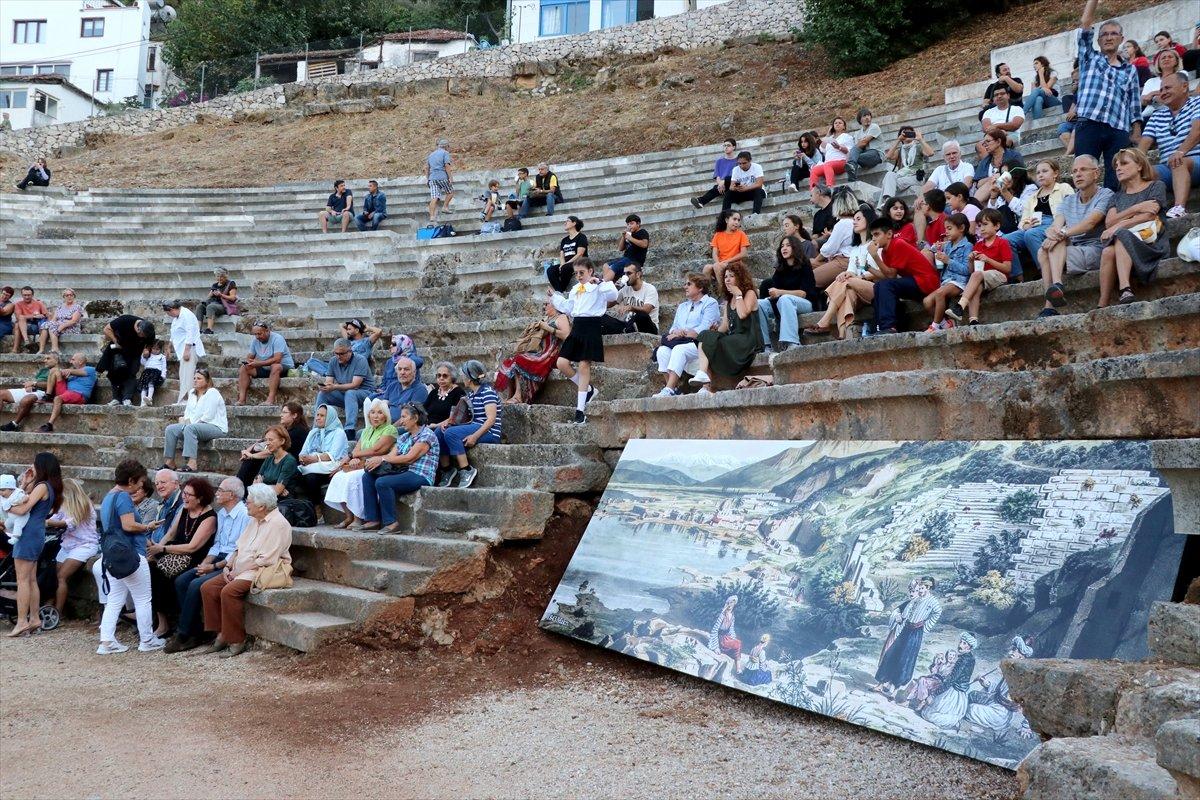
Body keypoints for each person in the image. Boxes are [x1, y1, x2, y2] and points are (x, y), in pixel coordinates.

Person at [199, 483, 292, 658]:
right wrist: (228, 566)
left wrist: (237, 572)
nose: (245, 504)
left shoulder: (278, 524)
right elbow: (238, 548)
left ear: (261, 506)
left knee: (229, 591)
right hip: (239, 568)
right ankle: (221, 633)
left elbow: (266, 560)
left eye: (248, 502)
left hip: (262, 570)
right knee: (208, 587)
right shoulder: (254, 519)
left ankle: (236, 640)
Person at [165, 477, 249, 653]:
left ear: (231, 495)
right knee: (181, 581)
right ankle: (195, 630)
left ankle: (183, 634)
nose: (217, 493)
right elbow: (217, 544)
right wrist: (205, 563)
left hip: (232, 561)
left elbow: (239, 550)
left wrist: (214, 567)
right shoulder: (222, 513)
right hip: (217, 557)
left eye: (221, 490)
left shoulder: (244, 515)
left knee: (196, 584)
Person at [97, 460, 166, 654]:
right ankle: (147, 640)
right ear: (131, 480)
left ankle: (107, 641)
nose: (141, 485)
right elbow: (128, 525)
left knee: (114, 598)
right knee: (143, 598)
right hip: (130, 554)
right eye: (140, 481)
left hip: (112, 554)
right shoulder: (123, 497)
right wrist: (147, 526)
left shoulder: (109, 496)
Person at [1075, 1, 1143, 192]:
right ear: (1098, 40)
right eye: (1104, 34)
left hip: (1118, 127)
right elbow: (1085, 24)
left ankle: (1113, 209)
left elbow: (1134, 102)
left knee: (1117, 176)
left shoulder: (1130, 70)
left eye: (1113, 33)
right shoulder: (1089, 57)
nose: (1108, 37)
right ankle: (1087, 208)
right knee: (1084, 172)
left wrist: (1136, 129)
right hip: (1089, 122)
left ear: (1121, 38)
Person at [1037, 155, 1115, 317]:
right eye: (1074, 171)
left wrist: (1061, 234)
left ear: (1096, 173)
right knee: (1043, 250)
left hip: (1095, 249)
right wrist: (1052, 233)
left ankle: (1051, 300)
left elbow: (1090, 223)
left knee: (1057, 240)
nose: (1078, 174)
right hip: (1072, 250)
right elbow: (1056, 225)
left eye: (1083, 169)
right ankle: (1053, 294)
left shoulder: (1106, 194)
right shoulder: (1068, 200)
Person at [1098, 148, 1169, 307]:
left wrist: (1121, 223)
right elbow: (1109, 223)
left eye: (1124, 163)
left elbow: (1149, 215)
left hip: (1150, 242)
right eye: (1116, 165)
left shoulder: (1156, 186)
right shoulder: (1116, 196)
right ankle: (1102, 302)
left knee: (1121, 234)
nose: (1118, 168)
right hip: (1124, 243)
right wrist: (1137, 208)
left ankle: (1125, 288)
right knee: (1108, 251)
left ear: (1139, 166)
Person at [147, 476, 216, 635]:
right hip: (173, 552)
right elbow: (171, 533)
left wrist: (162, 549)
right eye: (184, 493)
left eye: (188, 494)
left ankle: (168, 624)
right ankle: (160, 621)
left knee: (160, 572)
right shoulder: (185, 509)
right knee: (149, 566)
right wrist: (155, 550)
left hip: (193, 557)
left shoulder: (210, 517)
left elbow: (193, 547)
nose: (184, 497)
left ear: (200, 498)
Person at [551, 260, 617, 424]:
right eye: (576, 273)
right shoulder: (575, 289)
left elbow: (613, 295)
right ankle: (588, 389)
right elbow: (569, 308)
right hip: (577, 327)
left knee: (583, 365)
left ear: (590, 271)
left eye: (582, 272)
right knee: (561, 363)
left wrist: (600, 282)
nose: (579, 276)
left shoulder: (599, 287)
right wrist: (554, 297)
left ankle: (580, 411)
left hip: (591, 327)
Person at [3, 454, 61, 636]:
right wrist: (25, 483)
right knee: (31, 579)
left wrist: (5, 506)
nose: (31, 467)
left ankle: (22, 621)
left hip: (28, 534)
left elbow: (22, 509)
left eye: (34, 465)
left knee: (22, 580)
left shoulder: (42, 486)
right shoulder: (47, 486)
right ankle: (34, 618)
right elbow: (21, 498)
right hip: (36, 533)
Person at [360, 403, 440, 532]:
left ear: (415, 418)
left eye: (404, 417)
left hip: (421, 475)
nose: (401, 421)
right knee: (368, 476)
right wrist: (376, 461)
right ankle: (373, 519)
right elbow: (391, 456)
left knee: (382, 482)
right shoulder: (404, 437)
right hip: (403, 471)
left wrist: (382, 458)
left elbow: (409, 458)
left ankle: (391, 523)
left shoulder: (427, 435)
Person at [806, 208, 880, 339]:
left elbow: (881, 273)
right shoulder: (855, 249)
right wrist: (845, 274)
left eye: (858, 219)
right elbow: (851, 270)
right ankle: (843, 335)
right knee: (847, 292)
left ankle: (825, 321)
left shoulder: (876, 244)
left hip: (874, 287)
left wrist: (858, 277)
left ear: (868, 220)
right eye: (854, 219)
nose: (854, 222)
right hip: (855, 289)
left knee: (846, 282)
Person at [689, 262, 762, 393]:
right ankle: (703, 376)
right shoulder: (729, 300)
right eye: (726, 276)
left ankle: (706, 384)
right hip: (734, 338)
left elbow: (742, 314)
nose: (727, 279)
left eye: (731, 276)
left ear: (740, 278)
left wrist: (738, 295)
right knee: (706, 336)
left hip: (748, 339)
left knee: (714, 343)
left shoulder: (750, 293)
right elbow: (725, 326)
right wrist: (713, 331)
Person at [324, 400, 396, 528]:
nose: (375, 416)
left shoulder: (390, 429)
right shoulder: (366, 431)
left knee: (353, 478)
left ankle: (358, 518)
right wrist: (354, 458)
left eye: (380, 413)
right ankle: (349, 516)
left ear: (385, 416)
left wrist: (353, 456)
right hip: (363, 464)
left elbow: (377, 450)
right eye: (372, 412)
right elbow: (356, 450)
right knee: (338, 476)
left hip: (378, 466)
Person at [1138, 71, 1200, 219]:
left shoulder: (1197, 102)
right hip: (1169, 167)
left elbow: (1197, 131)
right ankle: (1143, 214)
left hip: (1194, 160)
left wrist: (1180, 152)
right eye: (1161, 90)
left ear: (1184, 87)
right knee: (1141, 173)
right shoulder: (1157, 115)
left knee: (1178, 162)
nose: (1163, 92)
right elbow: (1143, 145)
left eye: (1167, 88)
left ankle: (1179, 208)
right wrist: (1134, 163)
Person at [433, 361, 501, 489]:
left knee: (451, 433)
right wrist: (444, 424)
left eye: (463, 375)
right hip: (474, 426)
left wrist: (474, 436)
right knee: (440, 431)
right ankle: (447, 470)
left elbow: (491, 420)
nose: (462, 378)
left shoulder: (488, 392)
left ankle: (466, 469)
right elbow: (461, 418)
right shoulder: (470, 395)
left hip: (489, 432)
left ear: (469, 378)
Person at [870, 216, 942, 335]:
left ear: (889, 234)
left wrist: (874, 256)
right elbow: (888, 275)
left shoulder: (898, 244)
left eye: (876, 234)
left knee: (885, 285)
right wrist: (868, 268)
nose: (873, 239)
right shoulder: (884, 252)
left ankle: (889, 327)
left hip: (926, 282)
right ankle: (880, 328)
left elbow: (891, 275)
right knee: (877, 286)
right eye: (872, 235)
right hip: (915, 282)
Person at [1005, 159, 1074, 281]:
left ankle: (1046, 272)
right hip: (1035, 225)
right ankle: (1019, 279)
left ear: (1055, 173)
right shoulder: (1033, 196)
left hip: (1054, 223)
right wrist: (1026, 225)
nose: (1041, 175)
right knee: (1006, 239)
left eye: (1045, 171)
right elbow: (1023, 221)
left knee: (1031, 234)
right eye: (1038, 173)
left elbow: (1072, 209)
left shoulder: (1063, 188)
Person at [653, 274, 721, 397]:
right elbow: (673, 328)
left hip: (700, 344)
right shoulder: (683, 306)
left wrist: (682, 333)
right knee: (662, 351)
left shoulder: (710, 303)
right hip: (683, 341)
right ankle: (673, 389)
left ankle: (669, 389)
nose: (685, 287)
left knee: (679, 350)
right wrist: (676, 332)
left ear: (700, 287)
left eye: (689, 284)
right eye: (685, 284)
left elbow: (704, 329)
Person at [872, 576, 941, 697]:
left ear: (928, 588)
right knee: (892, 654)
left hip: (916, 633)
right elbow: (907, 611)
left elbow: (937, 613)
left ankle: (894, 690)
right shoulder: (916, 599)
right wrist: (901, 618)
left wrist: (925, 626)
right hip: (906, 629)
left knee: (905, 660)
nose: (920, 590)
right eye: (919, 588)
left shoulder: (933, 602)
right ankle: (881, 684)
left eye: (922, 588)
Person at [947, 209, 1013, 325]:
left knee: (977, 275)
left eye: (985, 224)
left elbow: (1007, 268)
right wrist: (970, 260)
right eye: (979, 226)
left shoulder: (1002, 242)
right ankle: (973, 320)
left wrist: (988, 260)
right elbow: (972, 271)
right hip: (982, 278)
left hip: (1000, 276)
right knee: (975, 287)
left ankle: (960, 306)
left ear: (997, 226)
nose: (981, 229)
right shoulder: (978, 245)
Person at [2, 352, 96, 433]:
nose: (70, 361)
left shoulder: (90, 369)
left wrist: (67, 371)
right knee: (54, 370)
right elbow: (59, 380)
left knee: (58, 398)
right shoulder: (70, 374)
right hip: (66, 392)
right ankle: (48, 396)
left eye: (73, 359)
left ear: (80, 361)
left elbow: (79, 372)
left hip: (79, 394)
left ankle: (49, 424)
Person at [44, 477, 97, 616]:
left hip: (84, 545)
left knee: (61, 576)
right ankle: (49, 606)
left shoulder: (84, 505)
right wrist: (46, 520)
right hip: (68, 545)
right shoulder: (63, 504)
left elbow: (70, 523)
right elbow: (55, 517)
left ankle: (58, 612)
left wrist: (48, 522)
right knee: (53, 576)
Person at [497, 303, 570, 404]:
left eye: (547, 304)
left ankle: (518, 396)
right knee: (510, 360)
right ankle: (511, 395)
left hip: (550, 353)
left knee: (519, 360)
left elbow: (566, 335)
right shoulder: (547, 318)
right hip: (540, 351)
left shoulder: (561, 317)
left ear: (555, 304)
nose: (544, 306)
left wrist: (548, 328)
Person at [757, 235, 816, 353]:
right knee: (758, 304)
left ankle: (792, 342)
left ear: (795, 247)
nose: (784, 248)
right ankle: (766, 345)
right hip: (783, 302)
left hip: (805, 303)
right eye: (782, 246)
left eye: (788, 245)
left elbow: (803, 293)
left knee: (785, 299)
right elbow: (775, 291)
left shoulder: (805, 265)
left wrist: (780, 292)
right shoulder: (780, 268)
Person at [162, 369, 228, 473]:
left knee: (190, 428)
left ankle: (192, 463)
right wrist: (184, 422)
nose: (195, 380)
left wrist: (189, 427)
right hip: (194, 426)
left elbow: (209, 416)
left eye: (199, 378)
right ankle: (170, 462)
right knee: (170, 429)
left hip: (215, 427)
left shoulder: (213, 392)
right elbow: (188, 413)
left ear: (207, 381)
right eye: (194, 378)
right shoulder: (192, 393)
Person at [235, 402, 308, 486]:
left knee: (253, 460)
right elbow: (263, 440)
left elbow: (272, 451)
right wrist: (248, 450)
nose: (281, 415)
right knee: (252, 459)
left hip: (288, 464)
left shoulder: (298, 431)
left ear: (294, 415)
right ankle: (240, 486)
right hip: (278, 460)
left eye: (284, 412)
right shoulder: (286, 428)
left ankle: (239, 487)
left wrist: (251, 455)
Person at [923, 213, 974, 331]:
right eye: (945, 228)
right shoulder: (947, 246)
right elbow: (937, 258)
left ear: (961, 228)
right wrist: (936, 249)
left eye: (949, 228)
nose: (946, 232)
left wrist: (948, 261)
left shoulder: (967, 246)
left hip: (959, 282)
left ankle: (935, 326)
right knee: (927, 302)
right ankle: (946, 324)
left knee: (940, 293)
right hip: (946, 281)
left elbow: (967, 270)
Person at [313, 338, 375, 436]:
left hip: (365, 393)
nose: (338, 356)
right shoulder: (333, 361)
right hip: (345, 395)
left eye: (341, 354)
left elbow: (355, 385)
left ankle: (349, 429)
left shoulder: (360, 360)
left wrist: (335, 387)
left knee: (350, 393)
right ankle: (317, 428)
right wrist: (326, 387)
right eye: (336, 353)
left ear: (350, 351)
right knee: (323, 394)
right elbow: (329, 381)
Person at [921, 633, 978, 728]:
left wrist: (934, 695)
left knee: (928, 714)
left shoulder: (963, 659)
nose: (960, 645)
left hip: (954, 693)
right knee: (927, 712)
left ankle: (956, 722)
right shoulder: (970, 658)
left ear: (970, 647)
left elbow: (952, 679)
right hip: (960, 692)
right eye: (961, 642)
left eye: (964, 643)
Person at [810, 189, 863, 288]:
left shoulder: (843, 223)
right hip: (847, 260)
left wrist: (815, 260)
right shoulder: (855, 221)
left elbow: (829, 249)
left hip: (843, 261)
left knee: (809, 278)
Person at [296, 404, 349, 501]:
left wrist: (314, 458)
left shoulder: (339, 433)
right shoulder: (313, 432)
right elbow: (303, 452)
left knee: (311, 477)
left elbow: (332, 456)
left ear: (330, 417)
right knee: (292, 473)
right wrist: (302, 459)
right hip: (311, 465)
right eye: (317, 415)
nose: (318, 418)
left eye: (322, 416)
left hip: (330, 469)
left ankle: (316, 506)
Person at [235, 320, 293, 406]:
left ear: (267, 331)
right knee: (244, 368)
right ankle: (242, 399)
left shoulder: (277, 338)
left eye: (259, 334)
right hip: (265, 368)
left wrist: (259, 363)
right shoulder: (255, 341)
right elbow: (250, 357)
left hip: (283, 367)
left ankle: (270, 399)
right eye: (255, 334)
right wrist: (249, 362)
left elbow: (277, 359)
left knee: (275, 366)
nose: (257, 337)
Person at [162, 299, 204, 405]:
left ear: (172, 309)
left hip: (189, 349)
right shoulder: (177, 317)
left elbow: (191, 333)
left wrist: (187, 350)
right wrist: (169, 347)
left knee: (188, 376)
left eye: (168, 313)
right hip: (182, 351)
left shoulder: (186, 315)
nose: (169, 315)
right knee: (183, 375)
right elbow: (174, 332)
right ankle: (184, 399)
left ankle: (189, 400)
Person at [878, 126, 934, 204]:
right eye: (905, 133)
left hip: (916, 177)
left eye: (910, 133)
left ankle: (887, 203)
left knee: (887, 183)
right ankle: (888, 200)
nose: (908, 135)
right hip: (903, 176)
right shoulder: (901, 150)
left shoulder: (918, 147)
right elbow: (888, 156)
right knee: (889, 174)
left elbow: (930, 153)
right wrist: (898, 140)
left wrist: (920, 139)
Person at [599, 263, 659, 336]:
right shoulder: (625, 288)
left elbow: (647, 309)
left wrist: (631, 307)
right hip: (628, 325)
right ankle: (625, 330)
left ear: (638, 274)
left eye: (629, 273)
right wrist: (615, 290)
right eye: (624, 274)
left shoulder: (650, 289)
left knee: (642, 315)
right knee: (599, 317)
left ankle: (626, 329)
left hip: (647, 327)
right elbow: (608, 305)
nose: (626, 276)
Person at [365, 356, 428, 424]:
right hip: (386, 424)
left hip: (405, 426)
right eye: (399, 369)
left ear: (414, 372)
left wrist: (391, 428)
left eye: (406, 369)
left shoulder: (420, 389)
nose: (402, 372)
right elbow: (383, 406)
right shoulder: (392, 386)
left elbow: (410, 417)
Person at [972, 130, 1026, 206]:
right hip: (991, 194)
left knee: (997, 178)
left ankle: (974, 205)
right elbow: (978, 184)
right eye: (984, 143)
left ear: (998, 142)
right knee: (993, 180)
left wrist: (999, 176)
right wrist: (993, 178)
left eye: (988, 141)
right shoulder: (985, 161)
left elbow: (1020, 174)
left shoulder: (1014, 155)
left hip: (1012, 190)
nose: (985, 145)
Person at [253, 424, 304, 503]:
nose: (267, 443)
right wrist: (273, 487)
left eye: (271, 440)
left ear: (282, 441)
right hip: (265, 499)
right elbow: (255, 483)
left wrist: (262, 485)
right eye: (266, 440)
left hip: (282, 502)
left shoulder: (289, 461)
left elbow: (277, 491)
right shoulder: (269, 458)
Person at [702, 210, 751, 291]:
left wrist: (727, 261)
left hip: (735, 265)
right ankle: (705, 293)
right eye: (734, 219)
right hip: (722, 264)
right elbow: (714, 253)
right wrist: (718, 263)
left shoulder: (741, 234)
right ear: (727, 220)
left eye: (738, 220)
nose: (737, 222)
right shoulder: (718, 235)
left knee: (717, 266)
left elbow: (744, 253)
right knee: (707, 268)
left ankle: (725, 292)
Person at [601, 214, 651, 283]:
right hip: (626, 258)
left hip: (634, 260)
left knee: (614, 267)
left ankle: (604, 284)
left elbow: (644, 244)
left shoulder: (642, 232)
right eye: (628, 224)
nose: (629, 226)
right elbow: (620, 248)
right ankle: (609, 284)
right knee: (606, 265)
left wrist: (630, 238)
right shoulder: (629, 234)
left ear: (638, 224)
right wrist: (623, 236)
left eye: (632, 223)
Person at [691, 139, 740, 209]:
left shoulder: (738, 161)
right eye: (724, 146)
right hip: (722, 186)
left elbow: (737, 176)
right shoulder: (719, 161)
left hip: (733, 184)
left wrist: (723, 182)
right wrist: (720, 184)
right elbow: (717, 176)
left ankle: (701, 200)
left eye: (728, 145)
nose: (726, 147)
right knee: (716, 188)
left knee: (725, 182)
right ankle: (700, 202)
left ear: (734, 147)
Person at [977, 85, 1025, 155]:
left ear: (1008, 96)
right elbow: (986, 128)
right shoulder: (988, 112)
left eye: (1002, 93)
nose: (999, 96)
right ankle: (990, 162)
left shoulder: (1017, 109)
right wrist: (1001, 132)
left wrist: (996, 126)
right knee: (979, 146)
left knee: (1002, 141)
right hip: (992, 136)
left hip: (1010, 136)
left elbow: (1015, 125)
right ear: (993, 98)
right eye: (996, 95)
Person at [546, 215, 589, 293]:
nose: (565, 223)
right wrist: (562, 264)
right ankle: (560, 292)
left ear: (574, 223)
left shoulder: (581, 237)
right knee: (550, 270)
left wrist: (566, 264)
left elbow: (580, 254)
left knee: (565, 268)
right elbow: (562, 254)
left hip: (579, 262)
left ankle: (560, 290)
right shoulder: (564, 240)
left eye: (567, 221)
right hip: (567, 264)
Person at [1141, 49, 1187, 121]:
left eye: (1170, 57)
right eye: (1163, 58)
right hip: (1150, 115)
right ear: (1158, 63)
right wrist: (1154, 94)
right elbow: (1143, 100)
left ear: (1176, 61)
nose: (1166, 59)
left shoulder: (1182, 74)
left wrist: (1153, 97)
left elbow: (1180, 93)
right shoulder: (1151, 81)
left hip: (1175, 112)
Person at [36, 288, 83, 355]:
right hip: (58, 326)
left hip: (71, 328)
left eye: (71, 295)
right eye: (67, 295)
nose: (69, 297)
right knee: (45, 325)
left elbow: (73, 321)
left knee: (52, 326)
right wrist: (51, 324)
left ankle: (55, 349)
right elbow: (54, 319)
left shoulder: (77, 307)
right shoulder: (60, 307)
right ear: (64, 297)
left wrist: (60, 328)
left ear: (74, 296)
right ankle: (41, 349)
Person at [811, 117, 853, 188]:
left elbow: (849, 151)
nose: (837, 124)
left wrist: (839, 147)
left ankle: (830, 187)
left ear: (844, 127)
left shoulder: (847, 137)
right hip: (828, 164)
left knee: (827, 165)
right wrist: (828, 134)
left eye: (840, 123)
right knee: (814, 170)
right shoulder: (830, 138)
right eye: (835, 123)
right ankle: (813, 191)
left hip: (841, 162)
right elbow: (822, 148)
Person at [721, 150, 766, 215]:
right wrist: (737, 188)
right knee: (728, 193)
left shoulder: (757, 167)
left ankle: (755, 215)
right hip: (741, 192)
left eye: (744, 163)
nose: (742, 166)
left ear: (750, 161)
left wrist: (746, 188)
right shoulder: (735, 169)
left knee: (759, 191)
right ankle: (724, 216)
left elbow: (759, 184)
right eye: (739, 163)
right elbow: (731, 187)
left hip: (754, 192)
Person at [196, 268, 238, 335]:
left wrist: (221, 295)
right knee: (200, 306)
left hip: (224, 305)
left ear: (225, 276)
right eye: (218, 276)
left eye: (221, 276)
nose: (219, 278)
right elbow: (208, 297)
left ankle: (209, 329)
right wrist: (211, 294)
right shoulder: (215, 285)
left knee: (211, 307)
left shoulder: (230, 284)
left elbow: (233, 298)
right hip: (213, 303)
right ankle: (198, 329)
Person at [846, 108, 883, 181]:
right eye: (864, 116)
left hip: (876, 154)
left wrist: (859, 144)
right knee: (855, 154)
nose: (867, 118)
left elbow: (864, 142)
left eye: (868, 115)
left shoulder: (874, 126)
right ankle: (852, 170)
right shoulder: (858, 133)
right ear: (860, 120)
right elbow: (858, 148)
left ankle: (851, 167)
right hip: (864, 156)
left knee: (854, 153)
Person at [9, 286, 47, 354]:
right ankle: (24, 343)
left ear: (32, 295)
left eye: (29, 295)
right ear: (22, 295)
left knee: (18, 323)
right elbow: (18, 317)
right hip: (23, 326)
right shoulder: (18, 304)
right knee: (18, 322)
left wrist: (41, 316)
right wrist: (34, 316)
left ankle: (16, 348)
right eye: (25, 295)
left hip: (36, 326)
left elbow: (46, 314)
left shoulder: (39, 303)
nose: (27, 297)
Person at [1023, 55, 1061, 121]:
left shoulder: (1053, 73)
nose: (1034, 66)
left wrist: (1041, 74)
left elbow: (1047, 89)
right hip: (1042, 103)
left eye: (1036, 63)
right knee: (1038, 99)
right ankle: (1038, 122)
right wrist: (1041, 88)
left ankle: (1022, 113)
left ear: (1043, 64)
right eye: (1033, 64)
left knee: (1037, 91)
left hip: (1053, 101)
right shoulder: (1035, 78)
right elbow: (1033, 94)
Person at [912, 189, 948, 253]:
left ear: (928, 206)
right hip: (934, 254)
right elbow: (929, 244)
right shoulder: (930, 224)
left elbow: (948, 244)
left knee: (925, 252)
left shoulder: (944, 220)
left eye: (922, 204)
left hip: (942, 256)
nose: (921, 207)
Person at [137, 340, 167, 406]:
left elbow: (164, 367)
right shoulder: (148, 355)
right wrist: (143, 356)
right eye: (153, 348)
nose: (155, 351)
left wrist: (163, 375)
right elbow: (143, 362)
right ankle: (143, 402)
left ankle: (150, 398)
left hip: (156, 372)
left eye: (157, 349)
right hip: (147, 372)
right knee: (143, 387)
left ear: (160, 349)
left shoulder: (162, 357)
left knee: (151, 384)